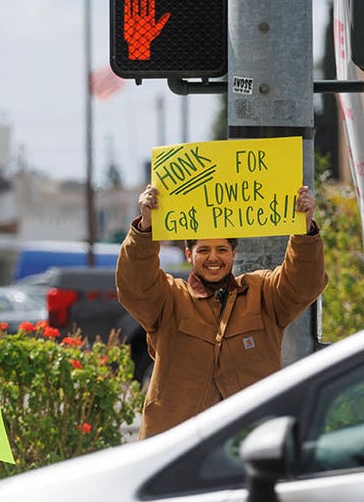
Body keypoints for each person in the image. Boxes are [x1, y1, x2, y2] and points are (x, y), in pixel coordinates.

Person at [116, 184, 327, 439]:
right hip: (175, 447)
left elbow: (304, 283)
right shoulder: (169, 298)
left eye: (222, 250)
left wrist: (304, 231)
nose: (213, 258)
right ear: (189, 254)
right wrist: (145, 227)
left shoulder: (263, 293)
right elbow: (134, 285)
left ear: (234, 253)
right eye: (203, 250)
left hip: (251, 443)